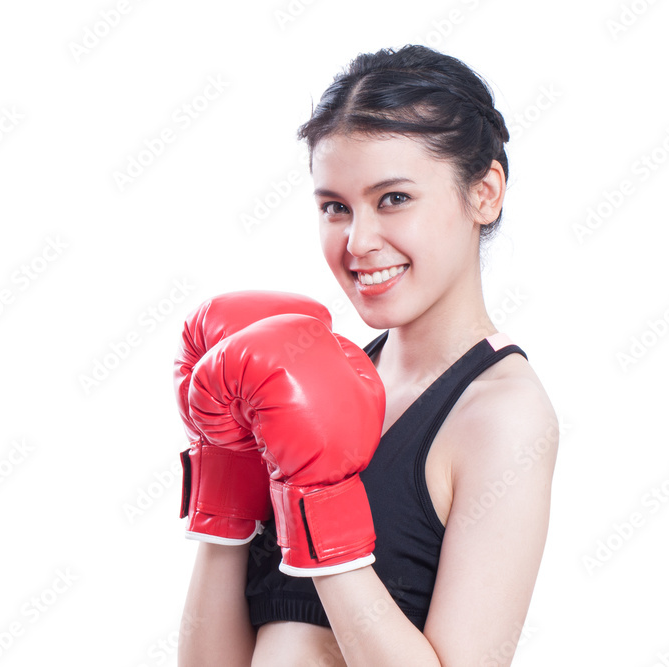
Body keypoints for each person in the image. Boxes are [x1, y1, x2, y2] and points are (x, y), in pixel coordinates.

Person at [175, 44, 559, 666]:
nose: (358, 241)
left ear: (484, 192)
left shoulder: (503, 416)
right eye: (335, 207)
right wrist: (228, 462)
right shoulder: (310, 382)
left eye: (393, 199)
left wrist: (322, 507)